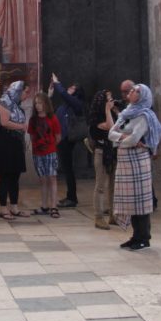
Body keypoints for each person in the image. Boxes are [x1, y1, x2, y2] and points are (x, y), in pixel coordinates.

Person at [110, 83, 161, 250]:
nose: (131, 92)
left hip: (138, 162)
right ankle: (135, 236)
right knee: (130, 201)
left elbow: (135, 139)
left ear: (142, 96)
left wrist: (122, 139)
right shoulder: (126, 112)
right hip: (125, 161)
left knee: (140, 201)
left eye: (135, 91)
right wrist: (123, 137)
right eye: (132, 89)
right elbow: (111, 133)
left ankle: (143, 237)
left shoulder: (144, 115)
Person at [0, 79, 30, 220]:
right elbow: (4, 122)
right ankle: (3, 208)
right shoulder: (4, 102)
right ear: (18, 91)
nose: (27, 95)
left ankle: (14, 207)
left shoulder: (16, 105)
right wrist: (22, 126)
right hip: (5, 143)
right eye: (26, 92)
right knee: (5, 177)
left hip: (15, 142)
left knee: (15, 176)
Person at [50, 73, 84, 208]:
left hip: (67, 139)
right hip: (60, 139)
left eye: (72, 88)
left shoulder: (76, 103)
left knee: (68, 168)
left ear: (77, 92)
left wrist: (57, 82)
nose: (69, 89)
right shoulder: (65, 105)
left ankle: (72, 198)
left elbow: (64, 94)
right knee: (65, 168)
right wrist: (50, 94)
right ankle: (70, 196)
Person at [27, 91, 61, 217]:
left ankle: (54, 206)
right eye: (36, 103)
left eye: (40, 103)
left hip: (50, 152)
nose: (38, 106)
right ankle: (44, 206)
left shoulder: (53, 118)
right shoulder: (33, 120)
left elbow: (58, 137)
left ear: (46, 104)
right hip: (38, 153)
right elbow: (31, 136)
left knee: (52, 178)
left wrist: (50, 147)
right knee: (42, 179)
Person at [89, 88, 118, 229]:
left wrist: (116, 111)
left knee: (114, 185)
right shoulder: (96, 118)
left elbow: (120, 127)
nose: (111, 101)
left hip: (112, 152)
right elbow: (111, 128)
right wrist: (107, 110)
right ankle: (98, 217)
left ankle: (113, 215)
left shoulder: (112, 113)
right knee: (100, 186)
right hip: (101, 152)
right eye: (108, 99)